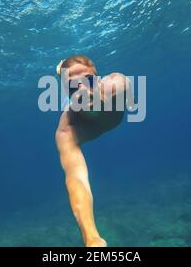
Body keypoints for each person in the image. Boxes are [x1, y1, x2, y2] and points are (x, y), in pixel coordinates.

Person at [55, 54, 131, 247]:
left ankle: (61, 72)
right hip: (86, 126)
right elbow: (76, 178)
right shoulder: (67, 130)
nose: (82, 91)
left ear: (98, 80)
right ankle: (61, 73)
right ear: (67, 92)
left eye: (88, 80)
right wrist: (91, 238)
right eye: (73, 86)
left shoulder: (116, 87)